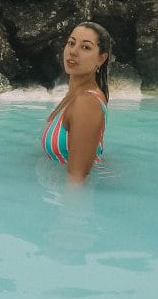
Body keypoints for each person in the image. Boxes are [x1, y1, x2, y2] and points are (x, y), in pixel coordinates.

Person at [41, 21, 112, 184]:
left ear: (101, 59)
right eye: (71, 43)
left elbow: (77, 178)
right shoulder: (73, 95)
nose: (73, 51)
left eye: (85, 47)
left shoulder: (86, 103)